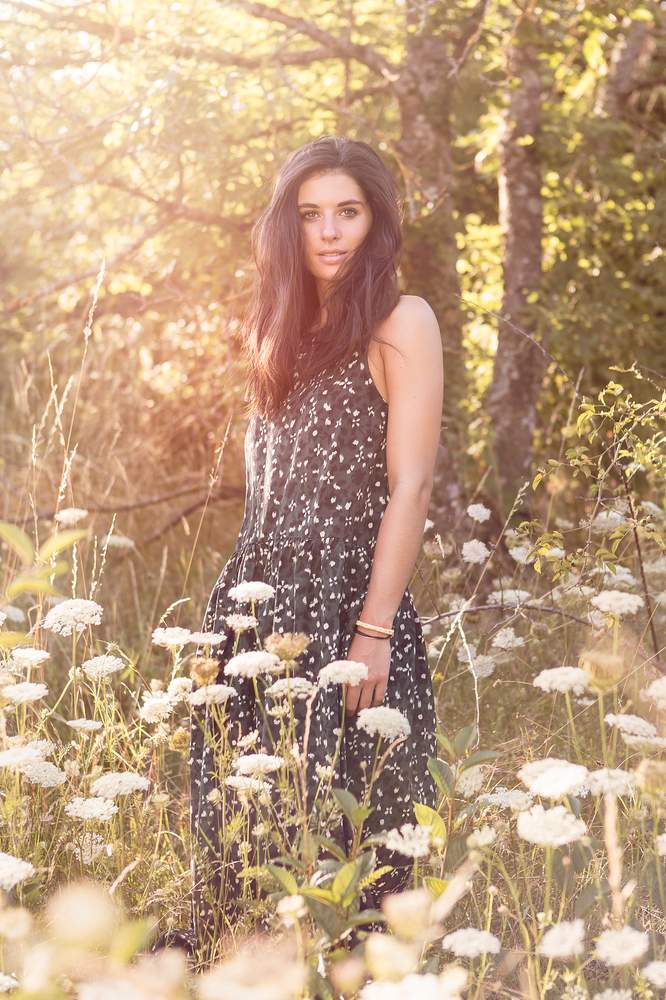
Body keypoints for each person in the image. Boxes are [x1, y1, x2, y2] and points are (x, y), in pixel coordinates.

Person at [188, 134, 443, 951]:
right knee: (245, 833)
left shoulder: (403, 320)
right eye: (310, 215)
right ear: (286, 228)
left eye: (348, 212)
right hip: (258, 609)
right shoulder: (278, 325)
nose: (329, 232)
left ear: (376, 221)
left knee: (355, 849)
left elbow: (412, 486)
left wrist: (372, 634)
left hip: (348, 609)